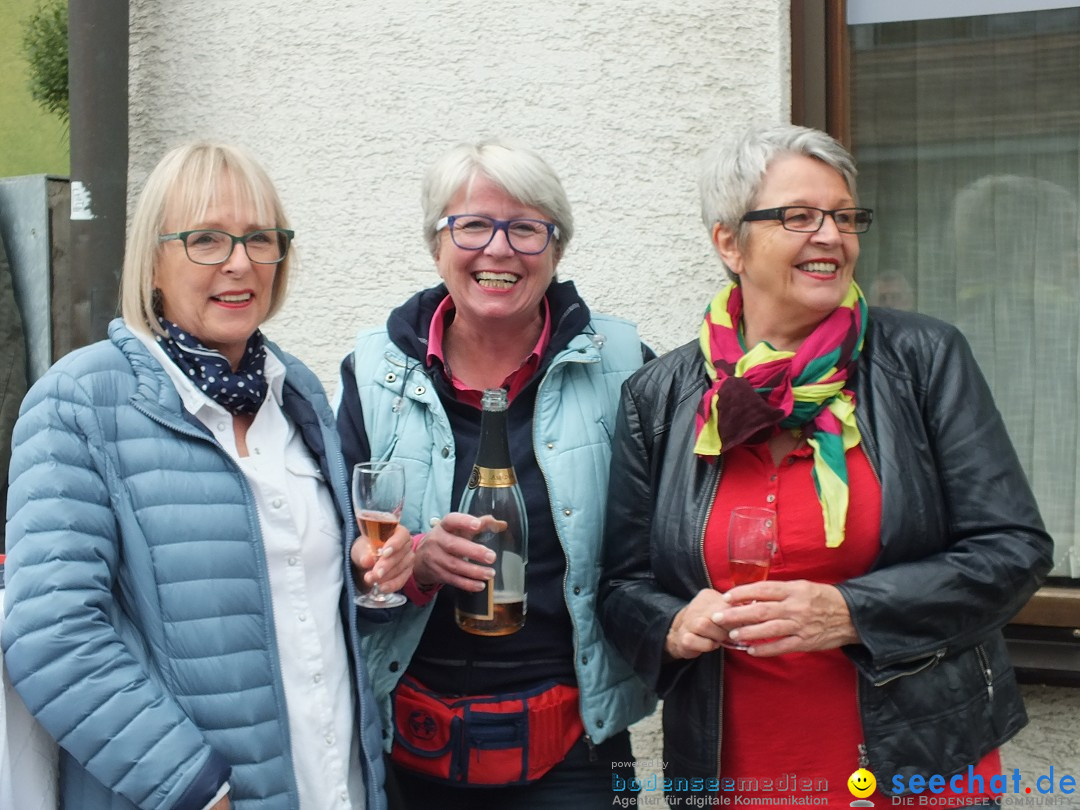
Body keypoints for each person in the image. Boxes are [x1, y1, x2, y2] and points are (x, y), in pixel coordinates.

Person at [597, 124, 1054, 806]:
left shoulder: (922, 360)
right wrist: (671, 623)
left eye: (844, 216)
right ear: (729, 242)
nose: (831, 236)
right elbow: (622, 584)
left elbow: (1013, 551)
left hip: (919, 767)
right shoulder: (662, 395)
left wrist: (851, 612)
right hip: (740, 771)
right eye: (799, 217)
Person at [2, 141, 412, 810]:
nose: (241, 263)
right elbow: (52, 635)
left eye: (260, 238)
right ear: (153, 261)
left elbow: (289, 601)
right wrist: (194, 788)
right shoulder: (81, 401)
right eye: (207, 240)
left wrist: (363, 570)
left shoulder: (295, 391)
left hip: (334, 786)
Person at [336, 138, 656, 809]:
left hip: (577, 748)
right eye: (474, 225)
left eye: (527, 228)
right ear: (437, 245)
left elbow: (660, 545)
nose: (499, 250)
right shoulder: (373, 372)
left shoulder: (626, 364)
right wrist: (411, 564)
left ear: (557, 248)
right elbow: (329, 556)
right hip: (409, 745)